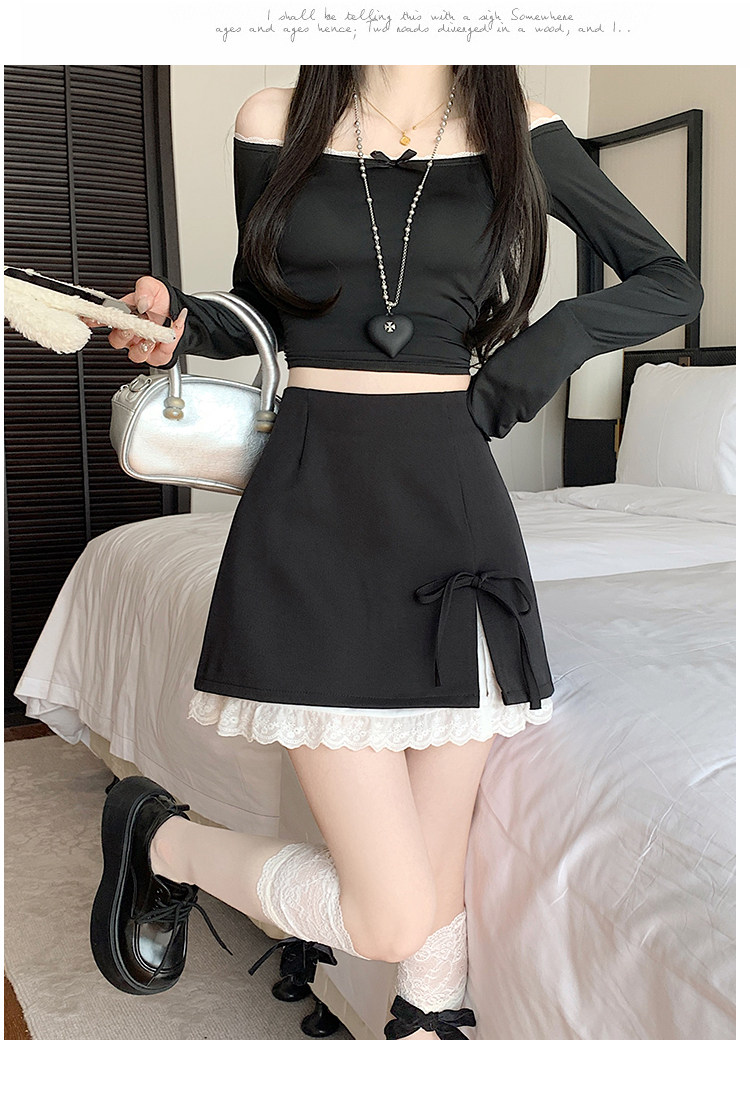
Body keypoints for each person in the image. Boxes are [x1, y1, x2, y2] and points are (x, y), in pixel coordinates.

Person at [87, 65, 703, 1040]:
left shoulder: (521, 126)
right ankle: (160, 840)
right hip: (312, 503)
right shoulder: (277, 116)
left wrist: (524, 368)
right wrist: (177, 321)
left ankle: (422, 1034)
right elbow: (269, 307)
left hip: (455, 511)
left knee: (433, 865)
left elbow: (671, 278)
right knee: (392, 913)